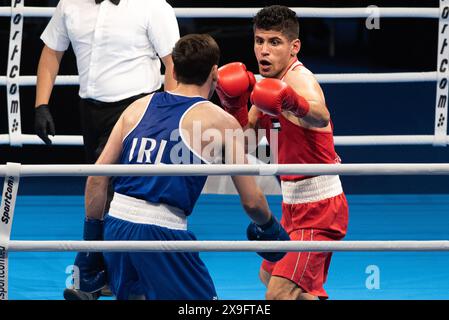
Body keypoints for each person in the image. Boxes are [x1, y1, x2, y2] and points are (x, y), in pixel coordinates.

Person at [75, 33, 290, 300]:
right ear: (215, 73)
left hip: (116, 226)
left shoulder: (136, 107)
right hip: (161, 233)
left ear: (173, 69)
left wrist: (90, 247)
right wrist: (270, 227)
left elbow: (97, 178)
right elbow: (252, 201)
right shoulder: (220, 121)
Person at [33, 0, 180, 300]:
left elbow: (173, 63)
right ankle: (111, 275)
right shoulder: (70, 4)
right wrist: (41, 103)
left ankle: (89, 270)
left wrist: (167, 116)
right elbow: (52, 51)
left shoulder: (152, 5)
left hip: (138, 107)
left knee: (107, 188)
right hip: (90, 110)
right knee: (106, 194)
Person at [215, 5, 349, 300]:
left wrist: (292, 102)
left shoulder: (298, 80)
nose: (264, 50)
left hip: (319, 207)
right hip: (292, 204)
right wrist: (233, 107)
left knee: (277, 294)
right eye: (259, 41)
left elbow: (320, 114)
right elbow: (245, 144)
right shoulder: (264, 87)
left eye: (274, 42)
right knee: (269, 275)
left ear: (293, 47)